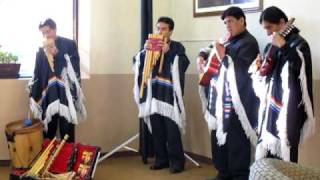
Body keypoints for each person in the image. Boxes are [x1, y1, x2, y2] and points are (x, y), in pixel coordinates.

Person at [197, 7, 259, 180]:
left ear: (242, 20)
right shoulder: (226, 39)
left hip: (236, 103)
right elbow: (209, 48)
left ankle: (238, 176)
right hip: (218, 100)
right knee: (219, 138)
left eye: (230, 21)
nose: (227, 26)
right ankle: (222, 172)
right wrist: (201, 56)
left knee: (236, 141)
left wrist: (223, 56)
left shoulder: (249, 42)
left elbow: (243, 71)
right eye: (225, 23)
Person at [251, 6, 315, 163]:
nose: (267, 32)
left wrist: (284, 47)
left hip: (289, 108)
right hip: (270, 106)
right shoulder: (270, 46)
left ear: (282, 22)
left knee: (286, 149)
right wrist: (258, 67)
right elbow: (265, 74)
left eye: (269, 27)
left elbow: (301, 69)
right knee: (267, 150)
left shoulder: (300, 43)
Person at [133, 16, 189, 173]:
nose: (160, 31)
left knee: (172, 131)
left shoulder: (177, 47)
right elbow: (136, 62)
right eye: (158, 28)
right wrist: (144, 52)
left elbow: (183, 64)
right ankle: (161, 159)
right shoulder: (151, 45)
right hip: (153, 94)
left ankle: (177, 162)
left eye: (163, 29)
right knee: (157, 130)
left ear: (170, 31)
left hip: (169, 95)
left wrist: (169, 53)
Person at [28, 18, 86, 142]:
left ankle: (68, 159)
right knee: (49, 130)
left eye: (48, 31)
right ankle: (49, 159)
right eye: (43, 33)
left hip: (66, 93)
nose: (45, 35)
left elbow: (75, 66)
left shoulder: (69, 44)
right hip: (49, 93)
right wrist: (33, 90)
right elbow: (37, 71)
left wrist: (58, 54)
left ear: (54, 29)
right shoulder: (40, 49)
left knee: (67, 130)